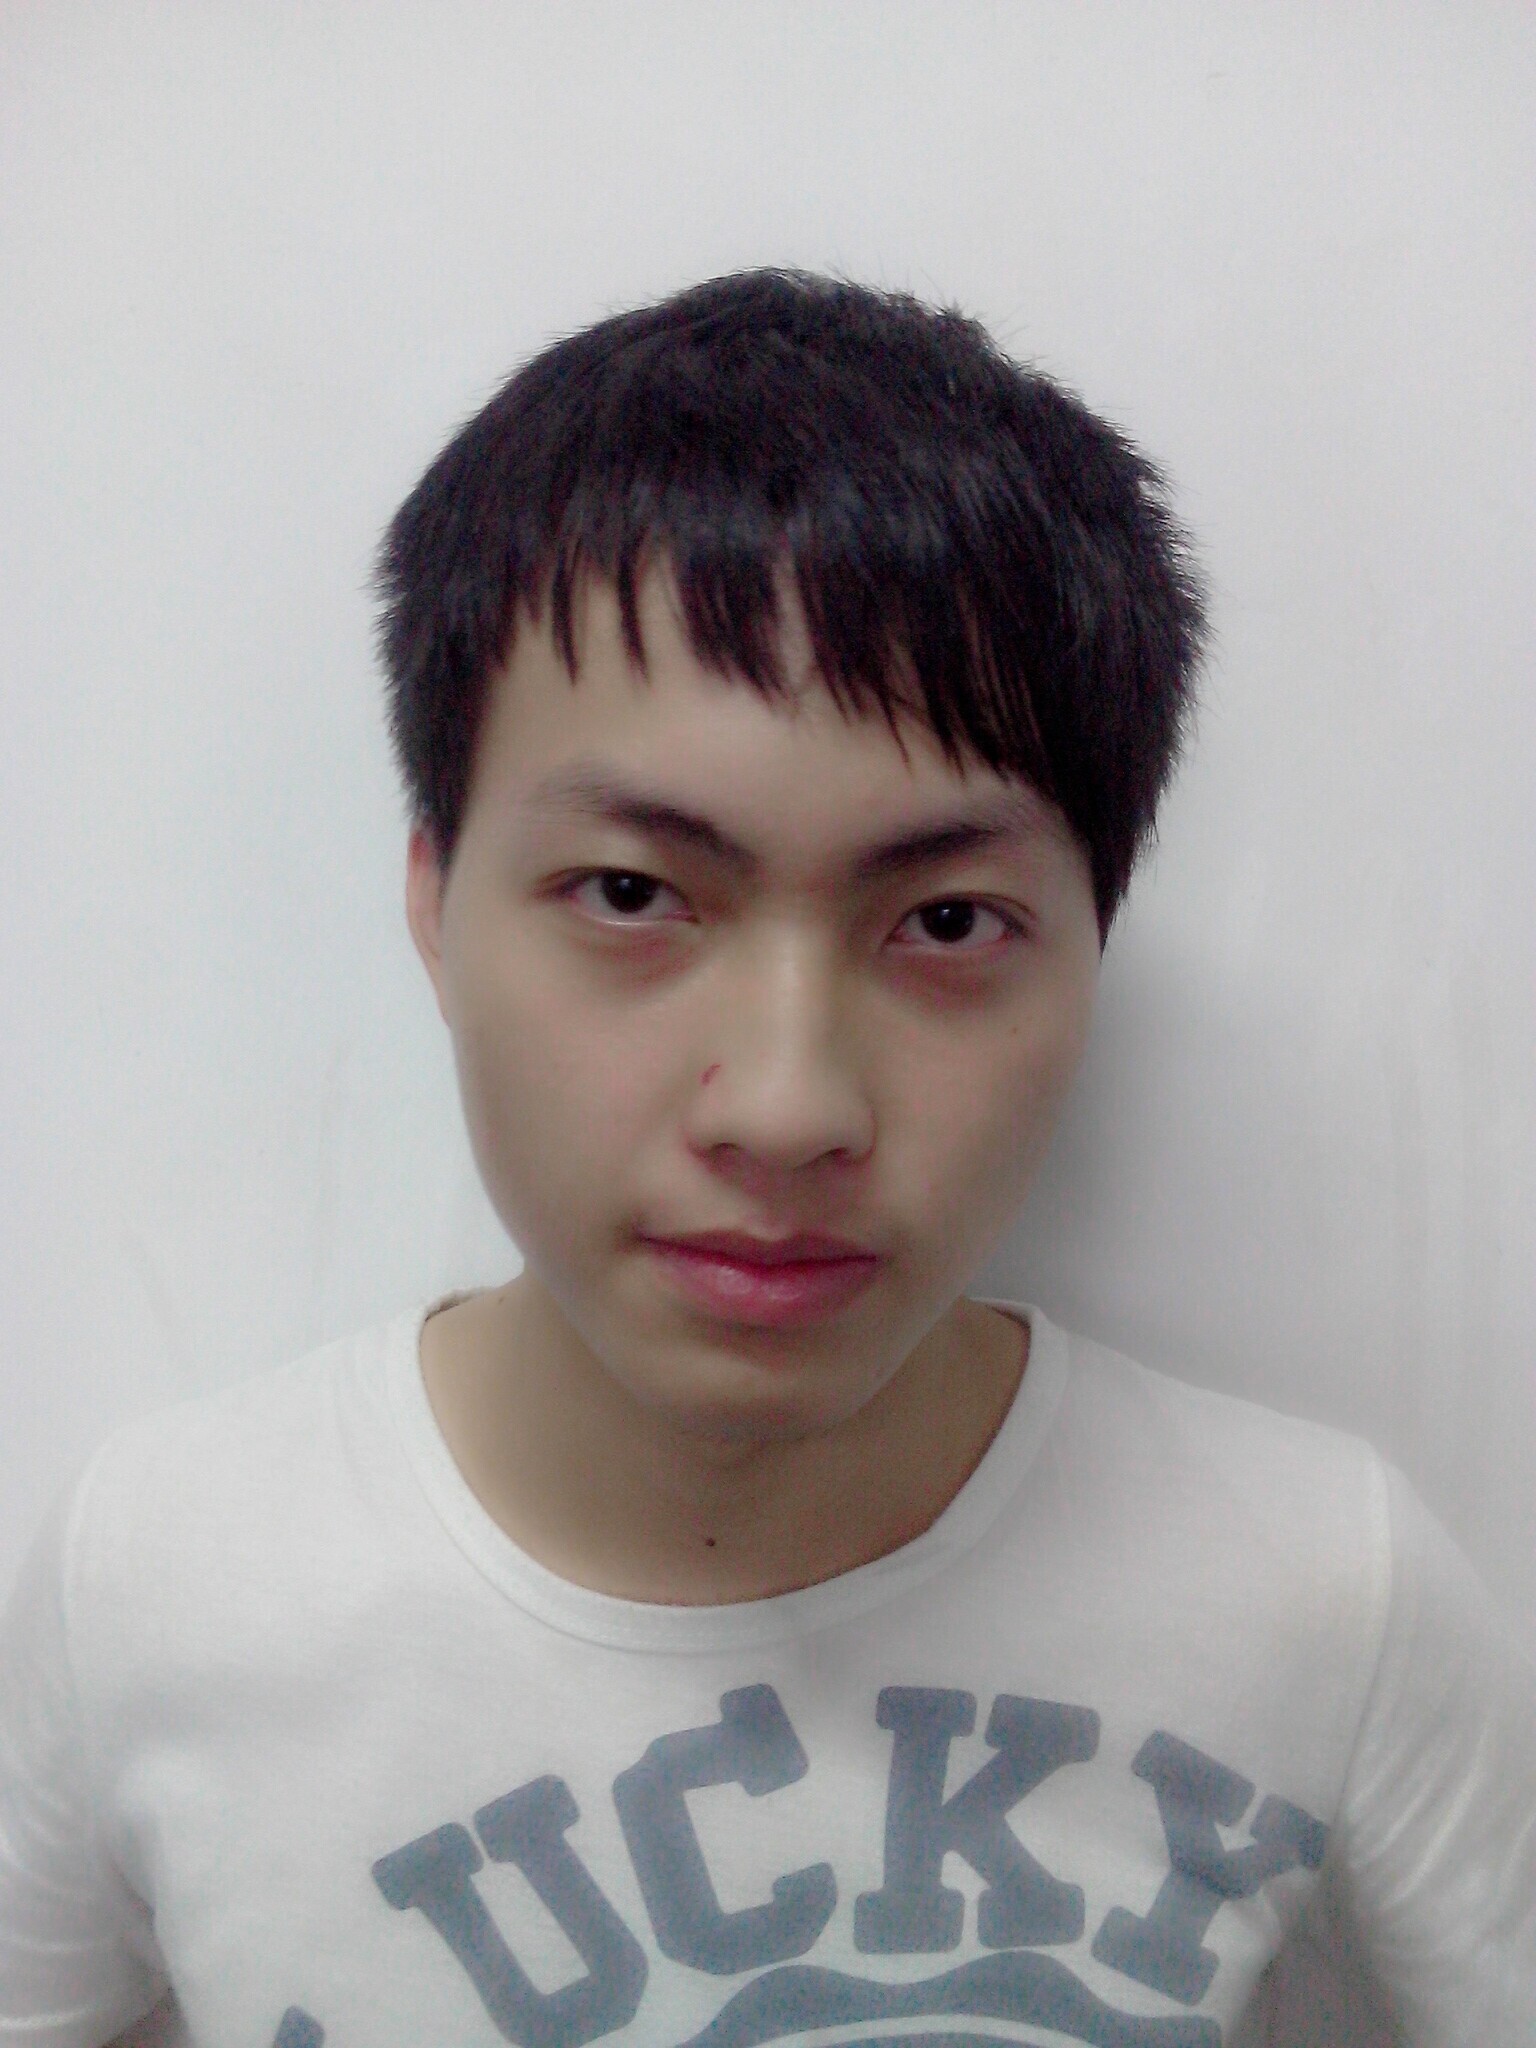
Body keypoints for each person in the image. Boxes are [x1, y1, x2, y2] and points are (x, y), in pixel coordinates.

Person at [1, 269, 1531, 2048]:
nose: (791, 1108)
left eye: (947, 920)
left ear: (1094, 942)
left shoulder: (1325, 1592)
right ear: (434, 899)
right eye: (631, 894)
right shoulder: (155, 1583)